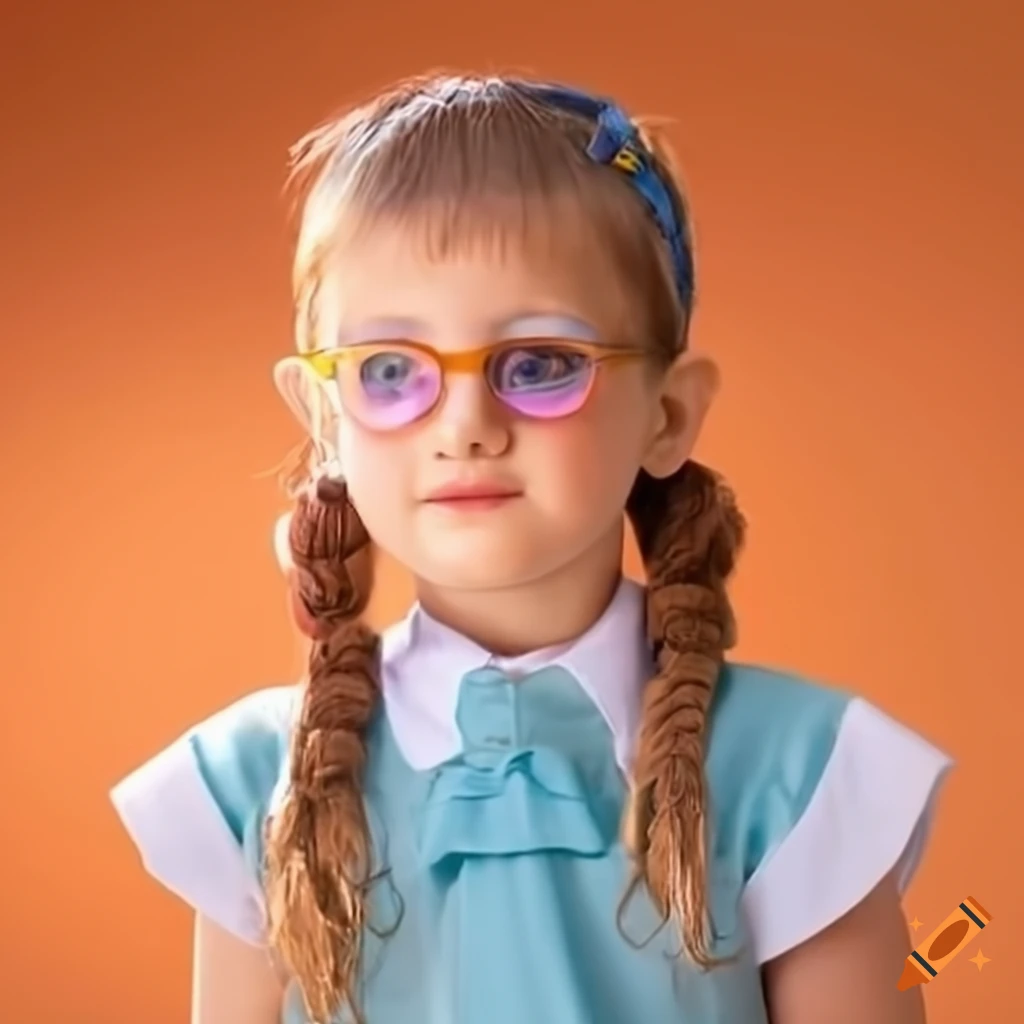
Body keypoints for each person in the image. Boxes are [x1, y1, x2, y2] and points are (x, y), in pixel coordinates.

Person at [110, 73, 952, 1024]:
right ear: (324, 417)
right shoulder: (253, 790)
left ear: (668, 415)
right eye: (390, 369)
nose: (465, 424)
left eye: (540, 364)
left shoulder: (799, 775)